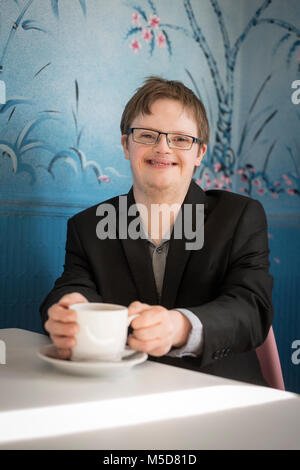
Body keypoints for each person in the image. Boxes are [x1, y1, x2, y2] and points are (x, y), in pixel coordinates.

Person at [40, 76, 274, 386]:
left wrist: (179, 327)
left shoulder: (240, 216)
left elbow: (251, 308)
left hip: (222, 395)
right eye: (148, 135)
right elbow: (71, 288)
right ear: (126, 144)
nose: (163, 147)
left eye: (180, 139)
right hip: (120, 393)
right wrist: (67, 312)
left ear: (199, 153)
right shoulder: (89, 227)